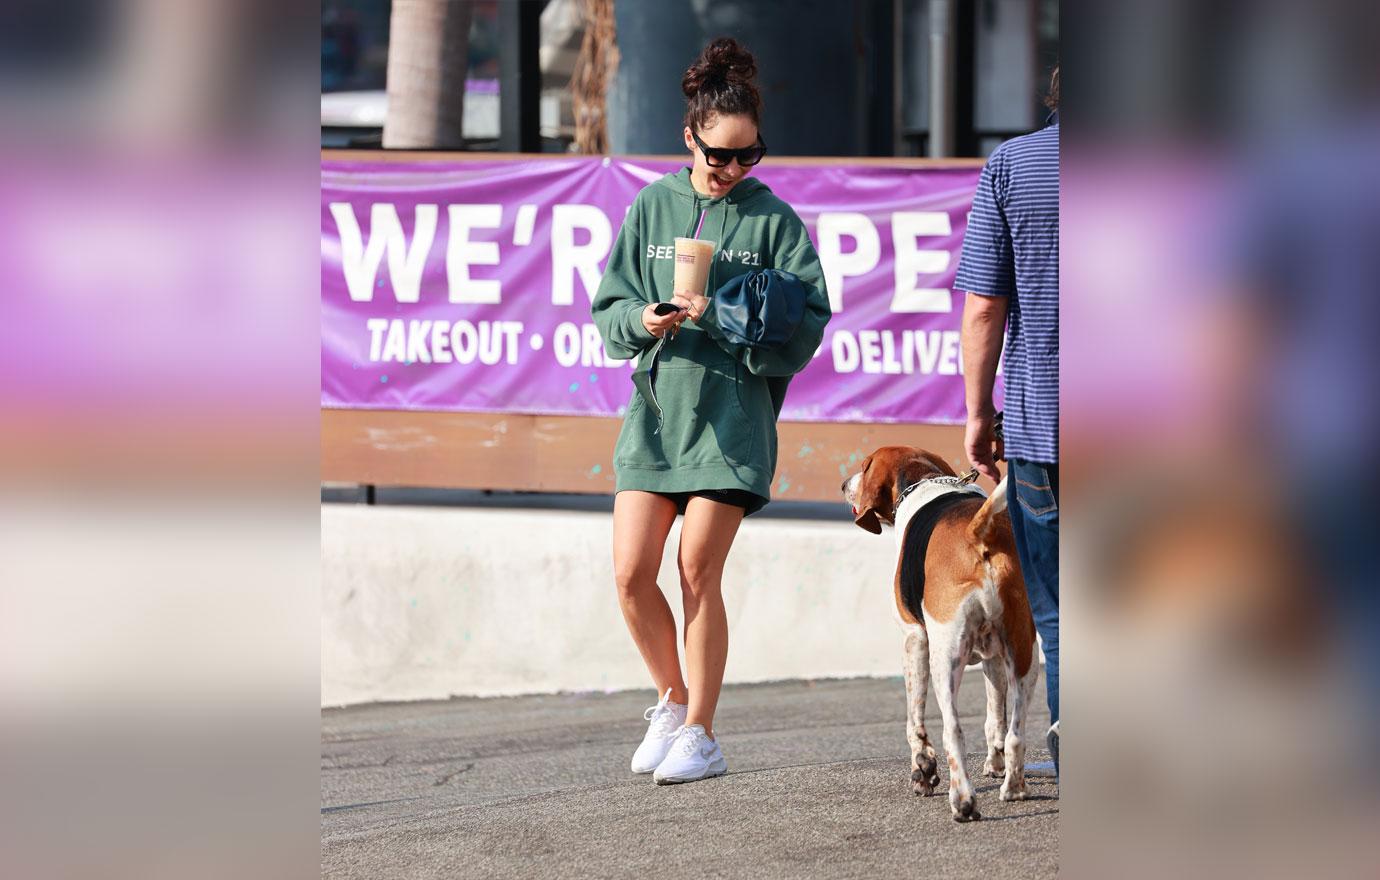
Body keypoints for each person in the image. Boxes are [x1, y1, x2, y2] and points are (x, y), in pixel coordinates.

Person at [590, 37, 831, 785]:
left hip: (731, 425)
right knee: (631, 572)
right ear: (688, 138)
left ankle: (702, 731)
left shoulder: (775, 222)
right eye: (720, 155)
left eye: (749, 156)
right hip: (658, 416)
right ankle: (671, 697)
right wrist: (647, 319)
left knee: (698, 566)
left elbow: (809, 319)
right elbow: (609, 312)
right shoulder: (653, 205)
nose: (733, 169)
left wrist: (723, 317)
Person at [954, 67, 1060, 774]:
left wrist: (976, 413)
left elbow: (984, 307)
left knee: (1060, 607)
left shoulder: (1013, 165)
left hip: (1042, 422)